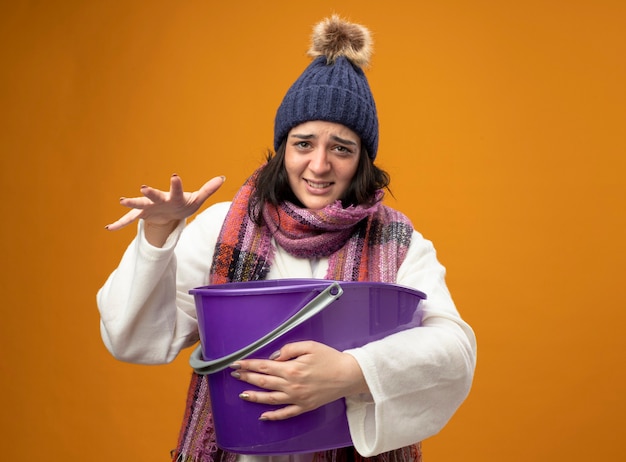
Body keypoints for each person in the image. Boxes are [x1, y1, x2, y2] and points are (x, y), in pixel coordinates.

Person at [98, 15, 476, 462]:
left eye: (341, 148)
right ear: (282, 149)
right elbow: (133, 338)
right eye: (303, 143)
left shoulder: (399, 244)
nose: (318, 165)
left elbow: (454, 352)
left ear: (362, 161)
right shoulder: (224, 229)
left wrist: (351, 371)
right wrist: (158, 235)